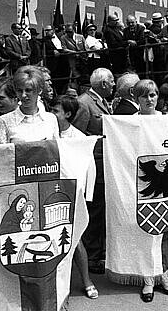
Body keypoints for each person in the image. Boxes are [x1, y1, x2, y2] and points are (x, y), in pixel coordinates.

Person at [132, 79, 168, 301]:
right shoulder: (130, 122)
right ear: (137, 99)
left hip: (167, 181)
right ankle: (147, 280)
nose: (150, 100)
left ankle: (164, 276)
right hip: (142, 180)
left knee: (164, 231)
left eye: (153, 95)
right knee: (146, 232)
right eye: (145, 96)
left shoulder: (166, 120)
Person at [48, 95, 99, 300]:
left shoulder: (78, 137)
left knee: (75, 239)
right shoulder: (46, 131)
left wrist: (86, 196)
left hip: (71, 193)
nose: (52, 114)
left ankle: (87, 280)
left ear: (68, 114)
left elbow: (89, 168)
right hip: (49, 192)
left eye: (56, 111)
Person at [72, 68, 115, 274]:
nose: (115, 85)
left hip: (104, 163)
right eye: (112, 81)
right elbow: (77, 136)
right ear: (104, 84)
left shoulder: (104, 102)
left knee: (100, 209)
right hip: (93, 164)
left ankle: (97, 253)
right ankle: (90, 257)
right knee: (94, 211)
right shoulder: (84, 103)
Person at [0, 66, 59, 144]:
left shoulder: (51, 119)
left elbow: (56, 151)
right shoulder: (4, 121)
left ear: (40, 90)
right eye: (19, 90)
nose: (23, 95)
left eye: (28, 90)